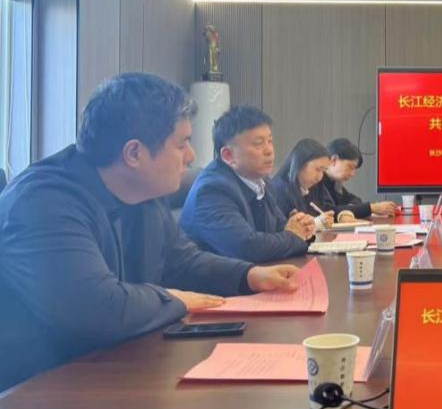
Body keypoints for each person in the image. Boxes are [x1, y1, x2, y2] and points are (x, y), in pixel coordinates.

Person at [0, 73, 299, 392]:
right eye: (182, 144)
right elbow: (95, 308)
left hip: (115, 368)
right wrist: (174, 299)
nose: (191, 156)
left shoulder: (144, 192)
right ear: (134, 154)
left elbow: (181, 261)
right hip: (36, 391)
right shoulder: (43, 201)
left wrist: (249, 275)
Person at [180, 107, 317, 263]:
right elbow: (246, 247)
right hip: (215, 278)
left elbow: (281, 228)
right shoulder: (212, 190)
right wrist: (294, 236)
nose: (269, 150)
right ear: (228, 155)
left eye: (270, 141)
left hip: (257, 272)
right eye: (258, 144)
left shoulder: (261, 181)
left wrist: (301, 226)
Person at [319, 138, 397, 220]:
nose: (352, 174)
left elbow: (354, 200)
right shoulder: (316, 181)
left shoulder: (334, 182)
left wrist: (353, 208)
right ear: (333, 160)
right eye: (350, 167)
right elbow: (330, 211)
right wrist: (371, 208)